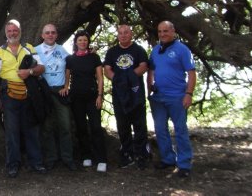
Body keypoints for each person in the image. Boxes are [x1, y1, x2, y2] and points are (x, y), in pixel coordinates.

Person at [0, 19, 47, 178]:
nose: (12, 33)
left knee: (32, 129)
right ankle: (13, 165)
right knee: (11, 131)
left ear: (20, 31)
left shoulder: (29, 48)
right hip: (8, 93)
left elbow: (41, 68)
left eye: (15, 30)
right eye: (9, 31)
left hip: (28, 93)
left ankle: (36, 162)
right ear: (6, 33)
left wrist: (29, 72)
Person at [148, 21, 197, 178]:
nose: (162, 34)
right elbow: (150, 72)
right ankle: (168, 159)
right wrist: (150, 89)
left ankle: (184, 163)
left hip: (177, 96)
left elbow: (191, 73)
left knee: (180, 129)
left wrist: (188, 94)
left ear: (173, 31)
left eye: (166, 31)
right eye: (160, 31)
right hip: (158, 97)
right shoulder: (155, 50)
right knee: (160, 129)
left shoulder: (182, 49)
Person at [104, 24, 149, 169]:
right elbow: (107, 69)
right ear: (118, 35)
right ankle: (126, 153)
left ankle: (141, 154)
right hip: (119, 94)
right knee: (122, 125)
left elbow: (143, 66)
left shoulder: (138, 50)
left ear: (131, 34)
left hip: (136, 93)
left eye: (126, 33)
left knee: (139, 124)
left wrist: (128, 78)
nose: (123, 35)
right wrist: (118, 80)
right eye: (120, 33)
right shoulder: (112, 52)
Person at [35, 24, 76, 171]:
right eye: (47, 33)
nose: (50, 35)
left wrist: (66, 86)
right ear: (42, 35)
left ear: (57, 35)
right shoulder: (36, 50)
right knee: (47, 127)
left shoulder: (63, 50)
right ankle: (51, 158)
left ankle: (67, 158)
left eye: (53, 33)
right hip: (44, 92)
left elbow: (68, 70)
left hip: (60, 92)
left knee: (65, 125)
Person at [66, 29, 108, 172]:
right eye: (80, 40)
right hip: (76, 98)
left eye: (85, 40)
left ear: (88, 42)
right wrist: (65, 88)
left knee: (96, 127)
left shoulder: (94, 58)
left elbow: (100, 78)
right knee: (81, 127)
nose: (83, 42)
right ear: (76, 43)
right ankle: (86, 156)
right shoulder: (70, 59)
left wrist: (100, 95)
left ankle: (101, 159)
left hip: (92, 97)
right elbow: (67, 79)